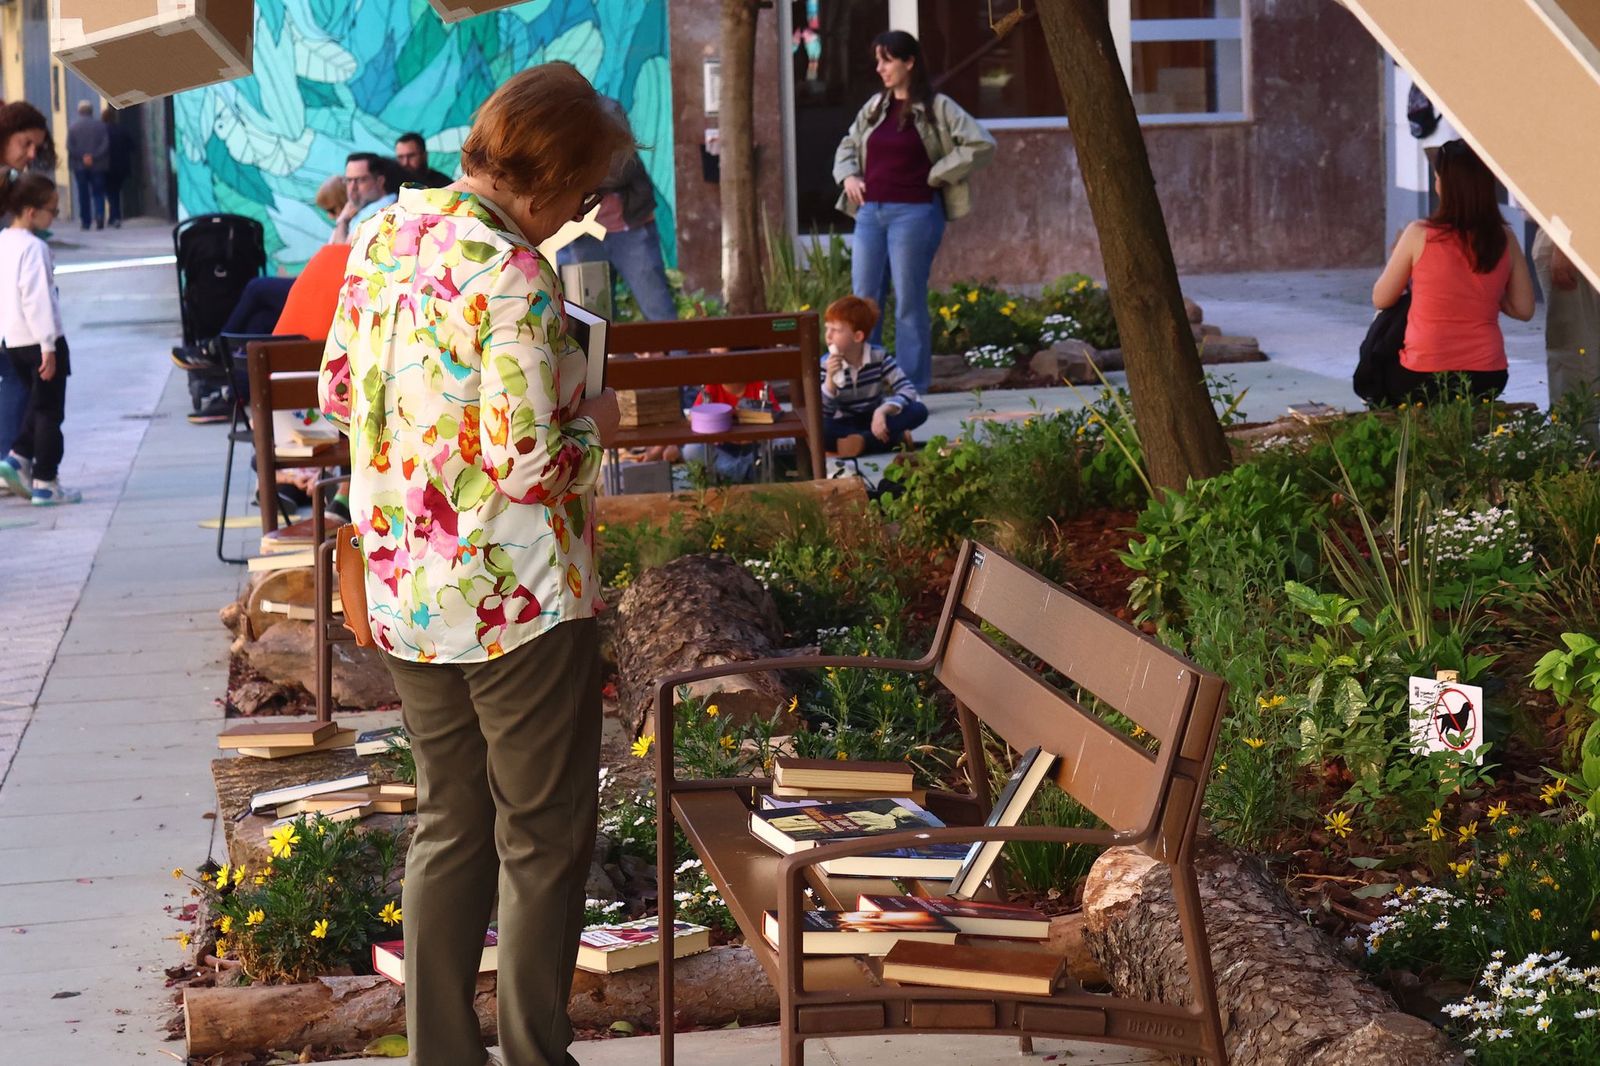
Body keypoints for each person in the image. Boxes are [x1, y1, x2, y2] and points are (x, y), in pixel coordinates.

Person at [318, 61, 628, 1066]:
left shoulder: (377, 237)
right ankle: (540, 1055)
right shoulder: (517, 277)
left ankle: (443, 1053)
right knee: (540, 837)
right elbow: (531, 462)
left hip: (407, 586)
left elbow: (335, 393)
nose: (579, 212)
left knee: (448, 823)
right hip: (516, 598)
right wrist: (598, 421)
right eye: (581, 192)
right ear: (546, 179)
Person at [832, 30, 995, 394]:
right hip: (870, 214)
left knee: (908, 300)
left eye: (887, 60)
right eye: (878, 60)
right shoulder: (875, 107)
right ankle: (864, 383)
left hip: (915, 213)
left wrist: (937, 173)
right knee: (863, 301)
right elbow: (847, 145)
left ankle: (910, 387)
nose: (880, 68)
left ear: (909, 62)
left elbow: (981, 143)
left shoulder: (937, 107)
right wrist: (848, 176)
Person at [1370, 139, 1535, 404]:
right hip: (1487, 375)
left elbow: (1381, 299)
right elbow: (1525, 309)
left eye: (1437, 177)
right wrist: (1484, 288)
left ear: (1445, 185)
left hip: (1422, 375)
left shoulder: (1419, 234)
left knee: (1376, 366)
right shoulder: (1505, 238)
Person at [556, 96, 677, 322]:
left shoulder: (607, 111)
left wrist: (576, 175)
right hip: (584, 234)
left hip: (628, 229)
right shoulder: (555, 124)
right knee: (590, 316)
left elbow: (619, 169)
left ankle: (678, 355)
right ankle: (611, 359)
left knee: (658, 306)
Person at [0, 175, 79, 504]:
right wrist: (49, 345)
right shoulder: (34, 248)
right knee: (50, 411)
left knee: (37, 403)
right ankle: (46, 480)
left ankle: (18, 456)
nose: (54, 218)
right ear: (31, 212)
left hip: (13, 340)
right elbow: (38, 298)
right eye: (52, 211)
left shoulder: (4, 241)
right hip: (40, 339)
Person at [0, 101, 55, 455]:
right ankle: (9, 459)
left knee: (14, 378)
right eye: (26, 143)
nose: (32, 153)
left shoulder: (9, 179)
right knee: (17, 379)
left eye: (37, 146)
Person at [820, 294, 926, 457]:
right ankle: (890, 439)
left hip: (874, 418)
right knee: (820, 428)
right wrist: (830, 382)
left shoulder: (879, 357)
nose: (828, 335)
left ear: (858, 336)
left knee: (919, 410)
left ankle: (860, 442)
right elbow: (823, 412)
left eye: (836, 330)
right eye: (827, 328)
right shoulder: (825, 363)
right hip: (843, 422)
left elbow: (908, 390)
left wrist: (882, 411)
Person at [1532, 230, 1600, 441]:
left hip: (1575, 234)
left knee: (1576, 358)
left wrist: (1564, 243)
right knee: (1577, 357)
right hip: (1575, 234)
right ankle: (1580, 459)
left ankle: (1579, 461)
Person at [330, 152, 398, 245]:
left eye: (360, 180)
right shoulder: (362, 208)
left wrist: (343, 221)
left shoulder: (381, 209)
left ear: (380, 181)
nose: (352, 187)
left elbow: (342, 252)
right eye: (349, 180)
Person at [66, 101, 109, 231]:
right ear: (91, 111)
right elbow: (105, 144)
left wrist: (83, 156)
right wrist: (93, 156)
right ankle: (100, 216)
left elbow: (69, 146)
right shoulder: (100, 126)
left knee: (83, 194)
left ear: (79, 111)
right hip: (98, 165)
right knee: (98, 192)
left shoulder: (73, 127)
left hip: (80, 165)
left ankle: (86, 221)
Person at [101, 106, 134, 229]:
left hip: (106, 166)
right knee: (116, 191)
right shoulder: (122, 130)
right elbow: (132, 146)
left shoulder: (102, 131)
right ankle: (115, 216)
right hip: (121, 166)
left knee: (110, 192)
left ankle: (114, 216)